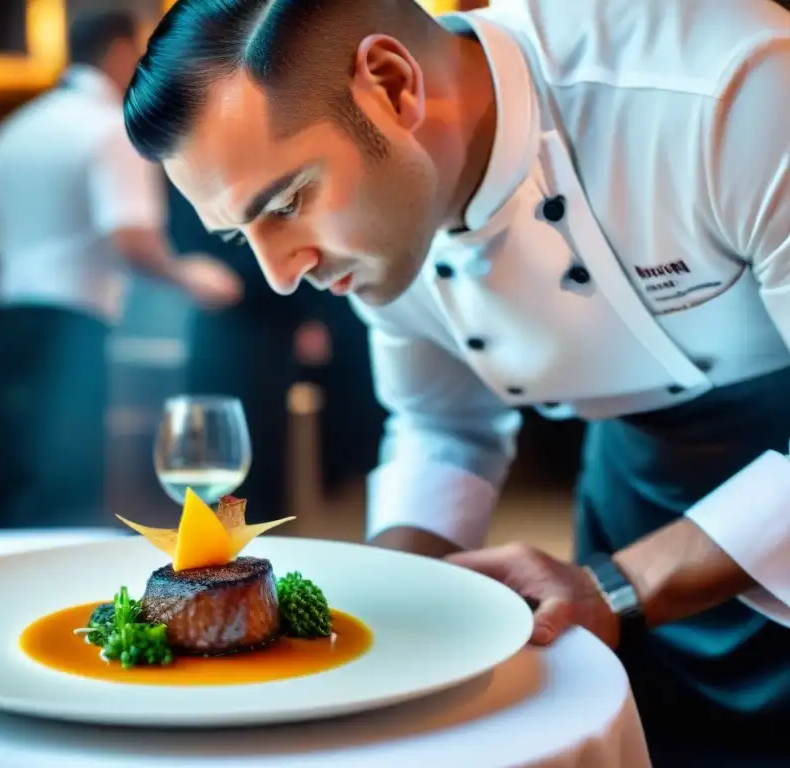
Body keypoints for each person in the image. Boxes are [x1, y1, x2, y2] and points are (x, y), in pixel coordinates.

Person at [122, 0, 790, 763]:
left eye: (289, 202)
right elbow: (445, 428)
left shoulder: (729, 88)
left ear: (391, 84)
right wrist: (386, 611)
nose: (279, 275)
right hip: (635, 497)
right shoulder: (384, 221)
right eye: (244, 234)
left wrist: (625, 585)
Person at [0, 11, 241, 530]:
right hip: (73, 324)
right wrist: (188, 274)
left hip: (3, 322)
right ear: (116, 51)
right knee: (65, 484)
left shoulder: (14, 129)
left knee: (14, 478)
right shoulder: (113, 127)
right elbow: (130, 236)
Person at [166, 177, 386, 524]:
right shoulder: (186, 171)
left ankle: (272, 540)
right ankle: (224, 547)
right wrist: (188, 268)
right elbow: (182, 234)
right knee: (223, 440)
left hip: (282, 312)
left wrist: (314, 315)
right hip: (227, 319)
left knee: (275, 442)